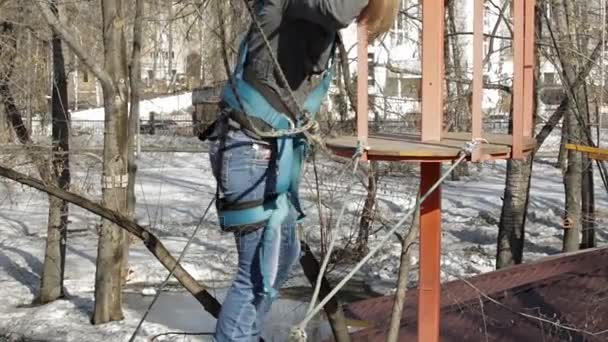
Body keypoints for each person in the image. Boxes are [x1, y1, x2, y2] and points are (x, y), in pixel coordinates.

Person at [201, 0, 399, 340]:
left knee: (280, 260)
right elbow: (338, 10)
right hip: (249, 150)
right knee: (257, 274)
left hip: (268, 151)